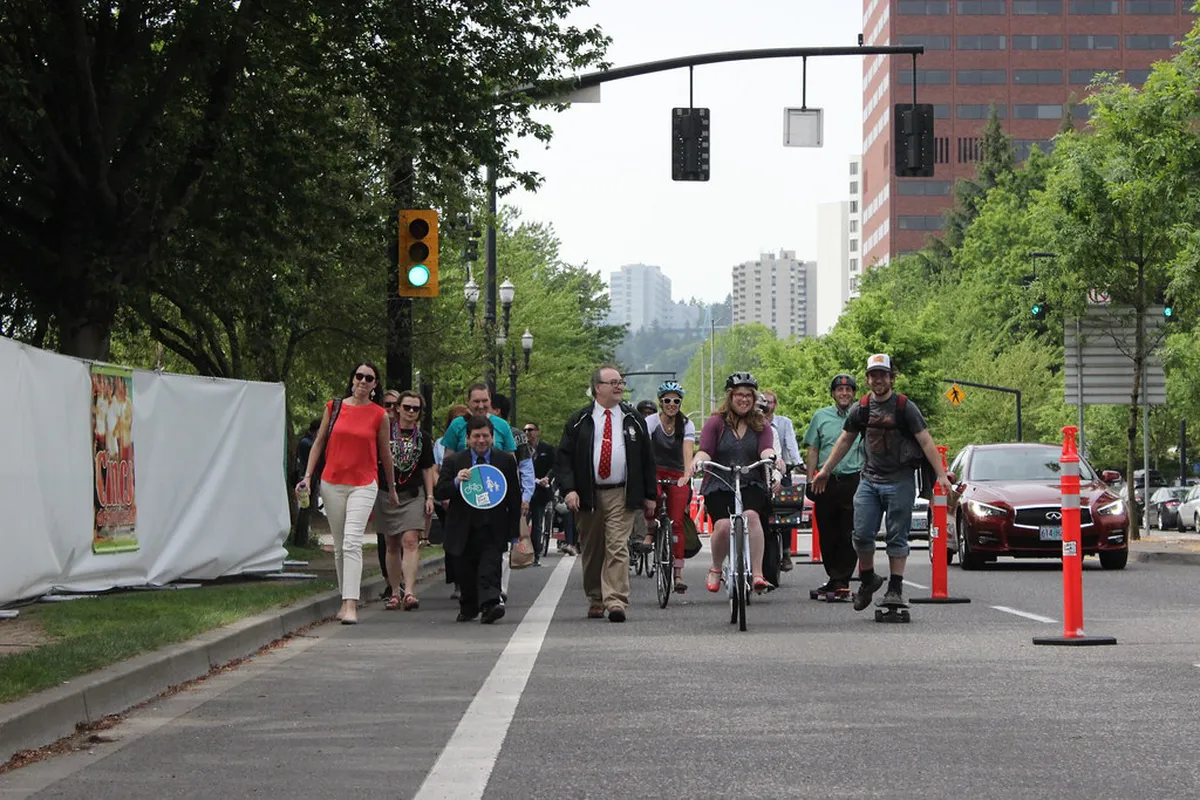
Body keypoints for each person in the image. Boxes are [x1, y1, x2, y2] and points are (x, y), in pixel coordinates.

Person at [811, 353, 951, 611]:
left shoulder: (904, 407)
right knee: (862, 533)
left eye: (882, 375)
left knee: (897, 536)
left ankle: (895, 589)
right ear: (868, 379)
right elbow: (845, 440)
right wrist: (826, 470)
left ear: (891, 378)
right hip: (869, 480)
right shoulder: (862, 408)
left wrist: (941, 475)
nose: (878, 380)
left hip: (900, 480)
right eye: (873, 375)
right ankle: (868, 579)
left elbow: (925, 440)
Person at [297, 362, 398, 624]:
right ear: (352, 379)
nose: (363, 381)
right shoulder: (334, 407)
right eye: (359, 376)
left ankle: (351, 604)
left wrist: (392, 487)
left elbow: (385, 454)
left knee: (353, 541)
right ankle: (345, 598)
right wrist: (308, 476)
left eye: (369, 378)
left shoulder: (379, 415)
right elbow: (319, 443)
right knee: (341, 545)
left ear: (375, 385)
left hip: (364, 483)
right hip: (332, 482)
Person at [556, 365, 656, 623]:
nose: (619, 386)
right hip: (588, 493)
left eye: (620, 382)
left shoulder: (633, 419)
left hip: (621, 492)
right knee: (592, 549)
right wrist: (569, 490)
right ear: (597, 388)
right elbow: (564, 459)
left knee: (617, 546)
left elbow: (647, 459)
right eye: (612, 382)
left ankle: (616, 601)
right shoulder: (579, 420)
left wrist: (650, 495)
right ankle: (596, 598)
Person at [693, 372, 779, 596]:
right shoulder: (716, 422)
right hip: (720, 482)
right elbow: (705, 450)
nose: (744, 399)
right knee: (721, 526)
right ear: (730, 397)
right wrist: (698, 461)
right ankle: (715, 568)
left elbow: (766, 448)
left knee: (752, 517)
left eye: (749, 395)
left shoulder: (761, 423)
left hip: (750, 481)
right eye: (739, 395)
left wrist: (773, 458)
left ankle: (758, 574)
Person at [435, 415, 521, 624]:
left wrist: (515, 532)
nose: (481, 441)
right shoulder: (454, 461)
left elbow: (514, 496)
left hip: (493, 525)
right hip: (463, 526)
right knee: (466, 569)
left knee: (489, 567)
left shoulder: (505, 460)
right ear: (467, 438)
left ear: (492, 437)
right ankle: (470, 606)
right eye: (476, 436)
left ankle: (491, 604)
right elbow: (440, 492)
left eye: (485, 436)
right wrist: (456, 481)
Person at [802, 374, 865, 597]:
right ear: (833, 393)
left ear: (854, 394)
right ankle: (835, 577)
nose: (844, 394)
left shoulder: (861, 416)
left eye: (848, 390)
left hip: (853, 480)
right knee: (827, 532)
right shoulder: (821, 416)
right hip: (825, 481)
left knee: (850, 531)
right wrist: (810, 479)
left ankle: (842, 579)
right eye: (840, 390)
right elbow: (813, 449)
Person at [377, 390, 435, 611]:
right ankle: (394, 591)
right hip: (386, 494)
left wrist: (429, 496)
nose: (411, 412)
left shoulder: (424, 438)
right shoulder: (384, 433)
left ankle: (410, 592)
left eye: (416, 408)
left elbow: (427, 468)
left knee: (410, 541)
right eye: (407, 407)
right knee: (392, 544)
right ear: (398, 408)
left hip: (412, 494)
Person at [639, 381, 695, 593]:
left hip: (677, 472)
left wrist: (687, 474)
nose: (672, 404)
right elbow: (643, 451)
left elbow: (688, 453)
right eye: (667, 401)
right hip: (655, 470)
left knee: (677, 522)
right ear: (660, 402)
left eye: (676, 401)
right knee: (652, 501)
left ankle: (678, 574)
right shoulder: (650, 422)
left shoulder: (686, 424)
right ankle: (651, 529)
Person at [435, 404, 470, 601]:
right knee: (454, 540)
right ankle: (457, 582)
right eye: (456, 417)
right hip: (452, 492)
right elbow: (439, 468)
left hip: (473, 493)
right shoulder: (442, 443)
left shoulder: (476, 435)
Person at [524, 421, 559, 564]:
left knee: (537, 523)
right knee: (523, 522)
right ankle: (522, 551)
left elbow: (555, 465)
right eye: (525, 430)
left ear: (537, 431)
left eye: (530, 430)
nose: (527, 433)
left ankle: (536, 554)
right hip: (525, 490)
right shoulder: (521, 449)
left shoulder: (547, 449)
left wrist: (548, 478)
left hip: (541, 491)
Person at [292, 419, 321, 547]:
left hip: (310, 477)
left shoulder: (308, 441)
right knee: (305, 508)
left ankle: (304, 539)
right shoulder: (307, 443)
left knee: (308, 508)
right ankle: (301, 541)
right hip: (305, 478)